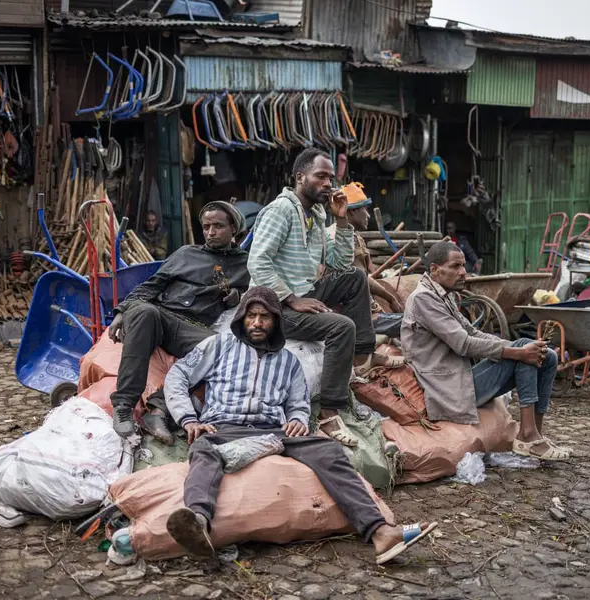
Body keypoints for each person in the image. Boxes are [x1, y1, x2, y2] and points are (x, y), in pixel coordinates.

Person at [163, 286, 438, 563]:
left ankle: (380, 532)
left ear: (276, 321)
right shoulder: (218, 346)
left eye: (265, 317)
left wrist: (296, 418)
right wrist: (188, 418)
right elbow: (179, 374)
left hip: (272, 430)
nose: (257, 323)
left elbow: (298, 403)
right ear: (241, 318)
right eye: (251, 316)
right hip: (222, 426)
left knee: (328, 451)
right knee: (203, 450)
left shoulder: (288, 362)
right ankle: (197, 523)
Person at [248, 148, 378, 447]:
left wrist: (342, 221)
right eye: (320, 177)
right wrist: (292, 298)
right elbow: (257, 262)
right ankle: (330, 413)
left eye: (331, 178)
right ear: (299, 177)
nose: (327, 184)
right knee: (341, 326)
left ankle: (361, 356)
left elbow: (340, 264)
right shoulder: (281, 210)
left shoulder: (317, 214)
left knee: (355, 278)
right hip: (271, 305)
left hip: (303, 290)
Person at [401, 241, 570, 461]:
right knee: (523, 353)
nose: (463, 272)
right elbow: (464, 343)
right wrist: (517, 352)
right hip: (447, 387)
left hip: (461, 375)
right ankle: (527, 435)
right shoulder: (424, 299)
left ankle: (536, 434)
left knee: (547, 356)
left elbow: (473, 332)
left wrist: (523, 348)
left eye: (463, 265)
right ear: (435, 269)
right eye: (455, 266)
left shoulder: (444, 295)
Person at [106, 202, 249, 440]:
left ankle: (159, 411)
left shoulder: (245, 264)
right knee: (145, 312)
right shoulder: (186, 253)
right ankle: (123, 407)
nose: (211, 232)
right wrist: (122, 311)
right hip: (160, 314)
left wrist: (238, 296)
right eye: (206, 227)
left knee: (223, 347)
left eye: (218, 226)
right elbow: (151, 286)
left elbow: (258, 294)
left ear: (233, 228)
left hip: (192, 326)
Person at [326, 182, 404, 314]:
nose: (368, 215)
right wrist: (390, 299)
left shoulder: (357, 237)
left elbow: (366, 276)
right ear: (351, 211)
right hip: (348, 312)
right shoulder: (333, 238)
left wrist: (390, 299)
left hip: (366, 307)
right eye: (365, 209)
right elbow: (355, 278)